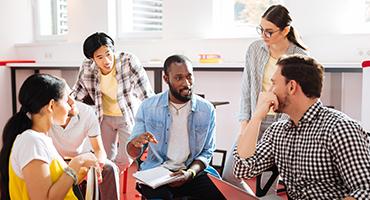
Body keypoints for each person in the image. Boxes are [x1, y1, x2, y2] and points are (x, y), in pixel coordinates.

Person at [233, 54, 370, 199]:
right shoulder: (277, 131)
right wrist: (256, 117)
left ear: (291, 87)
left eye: (274, 84)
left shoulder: (340, 129)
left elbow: (365, 190)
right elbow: (242, 170)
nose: (269, 92)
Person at [222, 4, 308, 194]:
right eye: (261, 29)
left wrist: (280, 133)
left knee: (266, 187)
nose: (263, 35)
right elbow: (246, 89)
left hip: (281, 125)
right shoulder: (255, 49)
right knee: (229, 174)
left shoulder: (299, 57)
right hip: (255, 118)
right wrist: (245, 126)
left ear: (285, 31)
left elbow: (298, 102)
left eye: (269, 31)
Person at [126, 55, 225, 199]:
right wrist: (135, 144)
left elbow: (207, 151)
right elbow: (133, 152)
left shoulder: (207, 110)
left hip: (191, 172)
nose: (186, 83)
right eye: (178, 78)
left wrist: (189, 173)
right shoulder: (148, 107)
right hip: (157, 172)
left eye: (189, 76)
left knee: (220, 194)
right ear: (166, 79)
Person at [0, 74, 99, 200]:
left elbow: (54, 187)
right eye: (66, 100)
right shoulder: (31, 142)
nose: (71, 104)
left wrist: (79, 170)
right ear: (51, 105)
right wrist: (76, 163)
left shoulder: (39, 139)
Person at [72, 32, 154, 172]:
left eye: (108, 54)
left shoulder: (128, 61)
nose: (106, 61)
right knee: (104, 160)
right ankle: (107, 187)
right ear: (92, 59)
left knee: (125, 159)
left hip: (127, 117)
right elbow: (76, 94)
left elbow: (146, 95)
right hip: (104, 117)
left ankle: (112, 180)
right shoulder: (87, 67)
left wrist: (154, 120)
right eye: (99, 57)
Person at [49, 98, 120, 200]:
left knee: (109, 168)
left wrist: (98, 166)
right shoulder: (44, 117)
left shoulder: (86, 111)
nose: (72, 101)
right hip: (57, 161)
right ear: (52, 104)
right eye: (65, 97)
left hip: (85, 158)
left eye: (71, 94)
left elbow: (99, 149)